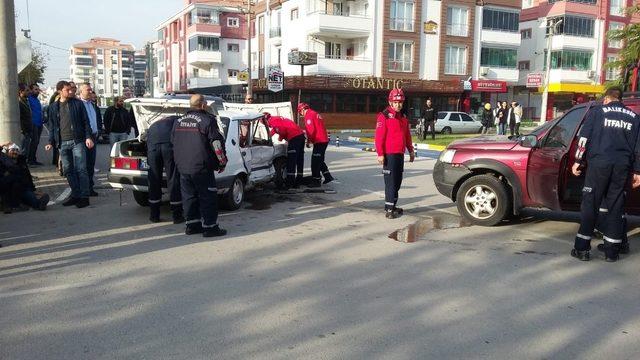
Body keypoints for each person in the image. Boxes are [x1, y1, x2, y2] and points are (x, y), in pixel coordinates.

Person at [571, 87, 640, 262]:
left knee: (590, 203)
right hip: (622, 166)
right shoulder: (634, 117)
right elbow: (638, 148)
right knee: (616, 206)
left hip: (599, 164)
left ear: (607, 99)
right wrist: (638, 171)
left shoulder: (598, 112)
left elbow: (583, 139)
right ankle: (612, 252)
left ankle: (582, 249)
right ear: (621, 99)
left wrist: (578, 161)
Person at [172, 94, 227, 237]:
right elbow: (216, 144)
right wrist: (222, 161)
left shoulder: (178, 122)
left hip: (183, 166)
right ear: (202, 105)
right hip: (201, 167)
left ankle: (192, 225)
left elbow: (173, 142)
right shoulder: (207, 120)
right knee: (207, 197)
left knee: (189, 196)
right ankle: (210, 227)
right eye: (206, 103)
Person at [45, 80, 94, 208]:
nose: (71, 91)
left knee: (81, 169)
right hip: (62, 143)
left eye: (72, 89)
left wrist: (88, 137)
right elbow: (52, 126)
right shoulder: (53, 107)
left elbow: (86, 122)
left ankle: (84, 197)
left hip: (78, 141)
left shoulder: (77, 104)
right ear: (59, 91)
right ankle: (75, 194)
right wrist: (51, 141)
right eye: (68, 90)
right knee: (68, 170)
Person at [374, 88, 415, 219]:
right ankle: (389, 209)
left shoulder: (403, 117)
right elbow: (379, 137)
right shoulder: (384, 116)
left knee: (397, 181)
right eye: (395, 102)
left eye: (400, 102)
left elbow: (407, 136)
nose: (398, 105)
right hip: (389, 154)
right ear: (390, 102)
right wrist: (380, 153)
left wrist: (411, 150)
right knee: (390, 181)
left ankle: (392, 204)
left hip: (400, 154)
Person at [147, 115, 183, 224]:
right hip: (168, 146)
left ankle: (154, 215)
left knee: (154, 179)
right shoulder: (178, 121)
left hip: (153, 147)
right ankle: (177, 216)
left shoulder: (154, 124)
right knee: (172, 178)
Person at [0, 143, 50, 213]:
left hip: (23, 188)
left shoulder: (21, 161)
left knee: (30, 196)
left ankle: (38, 204)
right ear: (7, 152)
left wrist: (33, 188)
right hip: (10, 190)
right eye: (12, 150)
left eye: (17, 150)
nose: (15, 152)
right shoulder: (4, 163)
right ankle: (12, 206)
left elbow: (27, 176)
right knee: (17, 186)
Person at [264, 112, 306, 188]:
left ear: (265, 121)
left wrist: (280, 138)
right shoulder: (276, 118)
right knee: (299, 159)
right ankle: (299, 180)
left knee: (291, 160)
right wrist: (268, 138)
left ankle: (290, 182)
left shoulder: (273, 121)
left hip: (294, 138)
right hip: (300, 136)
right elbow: (274, 131)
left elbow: (282, 131)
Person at [298, 102, 334, 187]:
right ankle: (328, 176)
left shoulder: (309, 115)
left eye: (300, 112)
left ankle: (316, 181)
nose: (301, 114)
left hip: (319, 141)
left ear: (302, 109)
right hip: (323, 140)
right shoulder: (314, 113)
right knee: (320, 160)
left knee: (315, 162)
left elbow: (311, 130)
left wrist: (308, 141)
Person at [78, 83, 102, 196]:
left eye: (91, 90)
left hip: (93, 136)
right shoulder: (78, 104)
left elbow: (95, 120)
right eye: (88, 90)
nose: (90, 92)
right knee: (83, 165)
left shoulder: (92, 104)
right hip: (84, 138)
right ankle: (83, 189)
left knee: (91, 164)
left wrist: (98, 132)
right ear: (81, 91)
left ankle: (90, 187)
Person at [27, 84, 44, 166]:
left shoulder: (36, 100)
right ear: (31, 90)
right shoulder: (29, 99)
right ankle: (30, 160)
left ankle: (33, 159)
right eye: (35, 89)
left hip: (40, 123)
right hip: (33, 124)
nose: (37, 91)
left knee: (36, 142)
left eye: (38, 89)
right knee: (33, 142)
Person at [18, 83, 33, 164]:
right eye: (27, 90)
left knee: (25, 152)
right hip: (23, 131)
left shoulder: (25, 101)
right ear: (21, 91)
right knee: (23, 153)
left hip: (27, 130)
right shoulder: (19, 102)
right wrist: (22, 130)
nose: (29, 92)